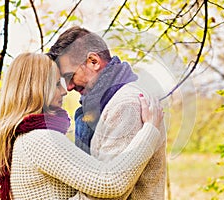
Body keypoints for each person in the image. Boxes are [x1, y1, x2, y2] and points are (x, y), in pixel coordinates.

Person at [0, 53, 164, 200]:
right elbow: (109, 183)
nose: (64, 90)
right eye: (56, 84)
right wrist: (149, 131)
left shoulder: (26, 138)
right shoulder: (41, 139)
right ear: (35, 89)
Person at [47, 26, 166, 199]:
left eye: (69, 76)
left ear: (93, 61)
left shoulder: (126, 105)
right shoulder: (104, 105)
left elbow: (107, 193)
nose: (70, 87)